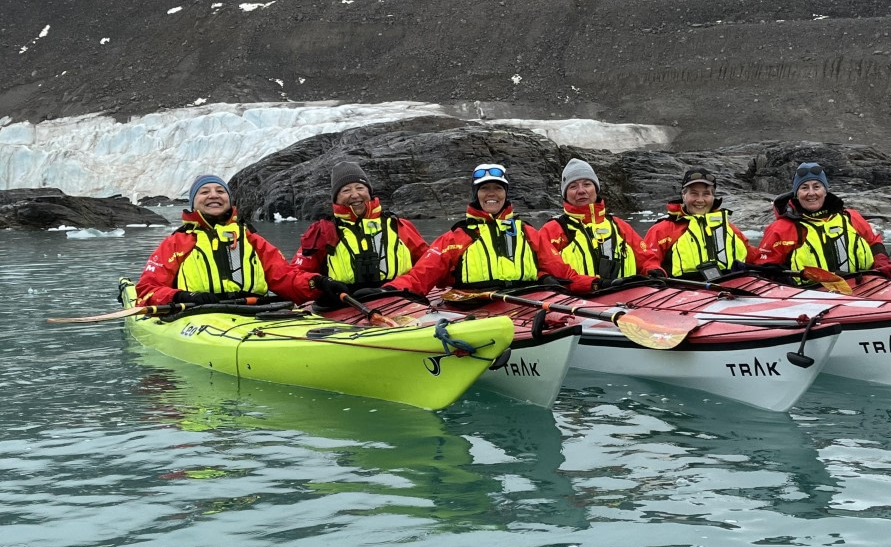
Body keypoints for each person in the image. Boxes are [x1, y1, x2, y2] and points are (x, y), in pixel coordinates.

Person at [387, 162, 600, 296]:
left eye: (497, 188)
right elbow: (420, 276)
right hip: (475, 306)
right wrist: (388, 290)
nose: (492, 194)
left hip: (522, 302)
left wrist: (596, 284)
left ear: (505, 193)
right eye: (484, 189)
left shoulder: (526, 232)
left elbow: (563, 272)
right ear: (475, 194)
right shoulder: (456, 237)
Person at [136, 173, 313, 306]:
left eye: (220, 191)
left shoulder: (250, 239)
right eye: (204, 192)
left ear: (229, 200)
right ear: (193, 203)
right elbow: (148, 289)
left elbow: (286, 278)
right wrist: (181, 296)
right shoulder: (176, 243)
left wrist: (317, 283)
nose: (214, 195)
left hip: (253, 310)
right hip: (198, 312)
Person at [290, 160, 429, 305]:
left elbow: (429, 264)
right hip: (345, 304)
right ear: (336, 198)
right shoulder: (323, 232)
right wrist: (319, 283)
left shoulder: (398, 226)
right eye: (346, 190)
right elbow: (295, 274)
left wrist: (404, 284)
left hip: (398, 298)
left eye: (360, 188)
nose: (355, 195)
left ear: (369, 192)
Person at [756, 161, 891, 283]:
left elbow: (874, 244)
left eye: (817, 186)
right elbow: (765, 269)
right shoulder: (780, 229)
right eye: (804, 188)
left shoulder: (850, 217)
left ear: (825, 191)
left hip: (864, 285)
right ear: (796, 193)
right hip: (809, 295)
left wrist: (883, 265)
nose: (811, 193)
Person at [539, 157, 666, 282]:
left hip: (626, 296)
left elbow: (646, 258)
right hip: (574, 299)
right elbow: (542, 268)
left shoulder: (619, 225)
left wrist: (653, 269)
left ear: (596, 188)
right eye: (573, 187)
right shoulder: (553, 230)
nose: (581, 191)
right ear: (565, 194)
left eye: (587, 184)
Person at [644, 167, 758, 279]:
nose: (700, 200)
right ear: (684, 196)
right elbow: (647, 260)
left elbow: (753, 256)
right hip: (681, 291)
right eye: (694, 194)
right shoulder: (662, 230)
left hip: (729, 289)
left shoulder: (728, 228)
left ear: (713, 197)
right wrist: (654, 272)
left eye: (706, 194)